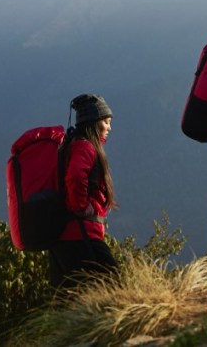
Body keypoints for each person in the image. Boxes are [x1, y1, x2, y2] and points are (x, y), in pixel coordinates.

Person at [49, 93, 118, 290]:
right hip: (81, 235)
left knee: (68, 298)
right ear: (94, 123)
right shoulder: (85, 147)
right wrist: (80, 206)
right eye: (106, 122)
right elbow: (76, 175)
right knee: (115, 285)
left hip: (64, 237)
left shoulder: (71, 145)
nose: (109, 128)